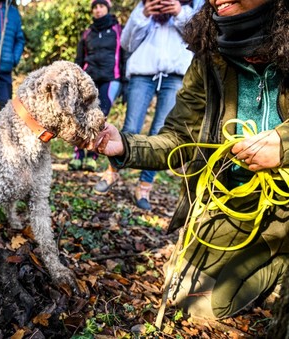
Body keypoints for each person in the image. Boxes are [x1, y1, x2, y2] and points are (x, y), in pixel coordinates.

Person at [91, 0, 289, 319]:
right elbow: (179, 138)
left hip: (283, 211)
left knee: (218, 304)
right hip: (231, 203)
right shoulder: (209, 52)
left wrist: (283, 144)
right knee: (191, 301)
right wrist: (125, 146)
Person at [119, 0, 201, 209]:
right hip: (142, 74)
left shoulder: (191, 9)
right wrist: (144, 15)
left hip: (175, 76)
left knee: (162, 132)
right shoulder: (142, 8)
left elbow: (198, 39)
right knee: (131, 126)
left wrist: (180, 13)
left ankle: (144, 186)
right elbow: (127, 43)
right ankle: (112, 172)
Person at [72, 0, 122, 176]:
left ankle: (92, 157)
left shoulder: (118, 30)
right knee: (82, 115)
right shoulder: (87, 34)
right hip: (89, 78)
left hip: (111, 78)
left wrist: (126, 83)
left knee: (100, 117)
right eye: (95, 7)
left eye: (101, 6)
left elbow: (123, 55)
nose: (98, 10)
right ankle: (78, 154)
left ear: (107, 8)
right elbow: (79, 59)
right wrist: (76, 80)